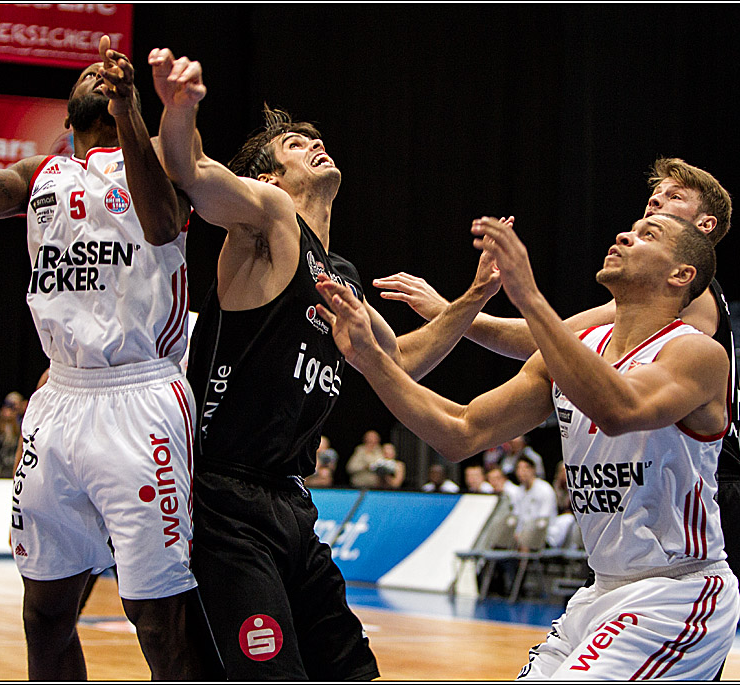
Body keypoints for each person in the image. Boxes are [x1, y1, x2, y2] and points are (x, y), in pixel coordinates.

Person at [148, 47, 503, 680]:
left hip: (292, 503)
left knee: (354, 671)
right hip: (224, 499)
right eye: (293, 144)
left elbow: (401, 363)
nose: (314, 145)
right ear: (270, 178)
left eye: (315, 138)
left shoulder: (340, 276)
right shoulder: (268, 219)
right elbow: (192, 171)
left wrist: (473, 298)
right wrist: (180, 107)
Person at [317, 212, 739, 679]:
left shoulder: (696, 352)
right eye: (632, 229)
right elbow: (460, 431)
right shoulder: (574, 350)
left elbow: (621, 411)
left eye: (648, 236)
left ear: (681, 275)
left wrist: (528, 296)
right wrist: (372, 361)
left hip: (676, 593)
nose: (624, 234)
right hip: (598, 594)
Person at [0, 39, 216, 679]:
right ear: (66, 114)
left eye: (110, 74)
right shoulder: (41, 176)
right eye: (87, 73)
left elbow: (164, 224)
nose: (96, 72)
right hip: (59, 400)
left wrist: (130, 108)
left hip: (140, 397)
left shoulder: (166, 164)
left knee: (157, 619)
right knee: (45, 611)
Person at [374, 158, 740, 623]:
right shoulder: (610, 329)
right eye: (651, 200)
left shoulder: (696, 303)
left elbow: (550, 341)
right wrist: (454, 312)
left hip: (704, 497)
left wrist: (460, 308)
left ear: (703, 228)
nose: (655, 203)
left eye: (673, 198)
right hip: (623, 553)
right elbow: (476, 416)